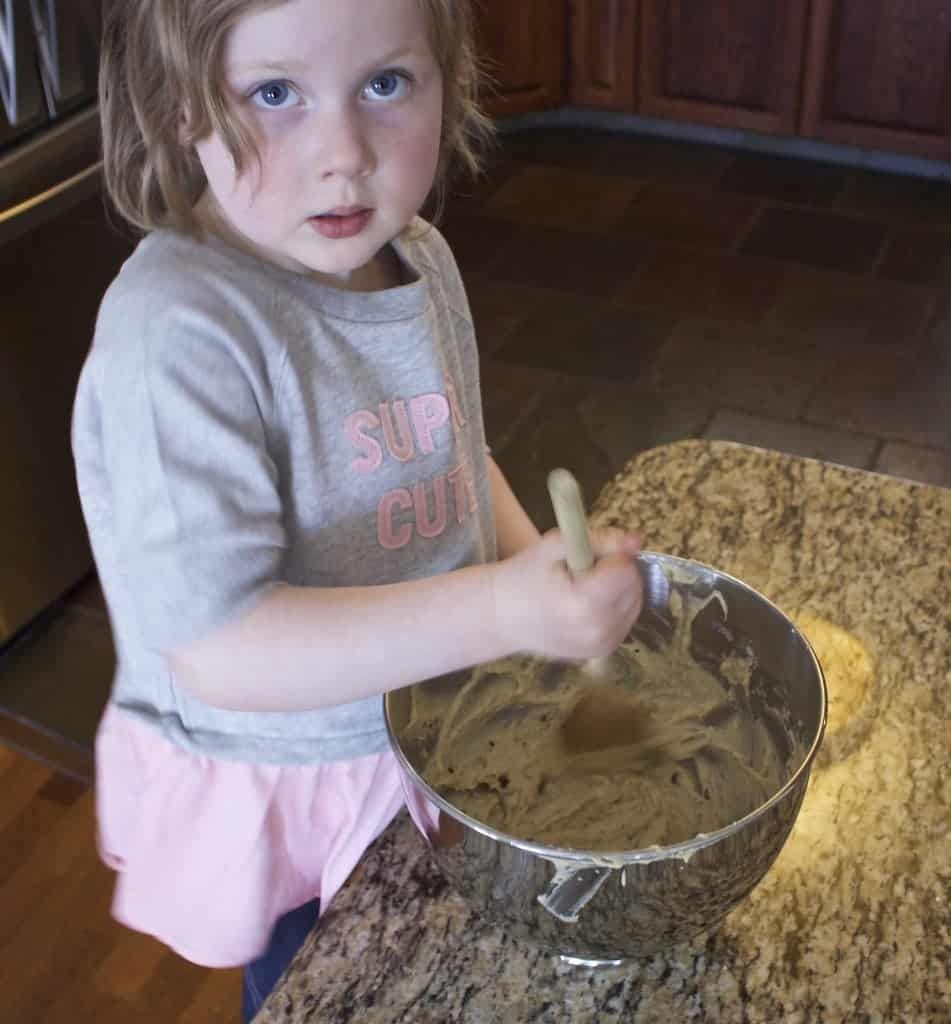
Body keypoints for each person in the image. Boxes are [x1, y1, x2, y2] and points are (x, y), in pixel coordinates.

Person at [72, 0, 644, 1018]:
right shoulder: (179, 336)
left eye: (385, 84)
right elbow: (225, 646)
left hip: (420, 730)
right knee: (321, 983)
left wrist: (540, 567)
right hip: (289, 779)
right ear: (175, 108)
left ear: (448, 81)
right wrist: (502, 613)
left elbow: (453, 454)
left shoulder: (418, 257)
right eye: (274, 94)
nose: (344, 154)